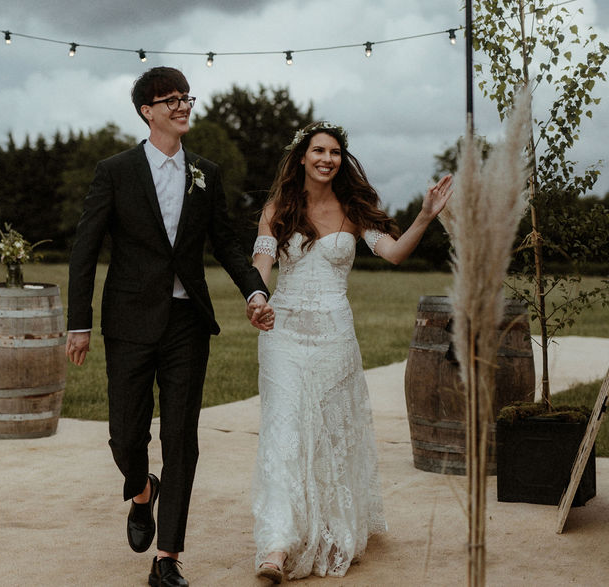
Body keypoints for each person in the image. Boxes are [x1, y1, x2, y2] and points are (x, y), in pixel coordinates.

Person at [66, 66, 273, 587]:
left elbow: (225, 242)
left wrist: (255, 290)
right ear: (147, 111)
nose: (182, 106)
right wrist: (78, 323)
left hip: (187, 324)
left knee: (181, 437)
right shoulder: (115, 171)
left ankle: (168, 557)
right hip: (129, 323)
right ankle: (142, 492)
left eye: (186, 97)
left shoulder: (205, 172)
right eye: (170, 99)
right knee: (124, 436)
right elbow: (85, 249)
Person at [249, 121, 452, 583]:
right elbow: (261, 266)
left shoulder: (355, 210)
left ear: (342, 160)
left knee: (330, 435)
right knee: (283, 433)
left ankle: (326, 526)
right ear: (302, 157)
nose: (327, 159)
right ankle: (277, 544)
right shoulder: (277, 209)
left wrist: (426, 215)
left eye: (335, 152)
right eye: (319, 151)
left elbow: (394, 253)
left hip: (335, 338)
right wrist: (256, 300)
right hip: (283, 333)